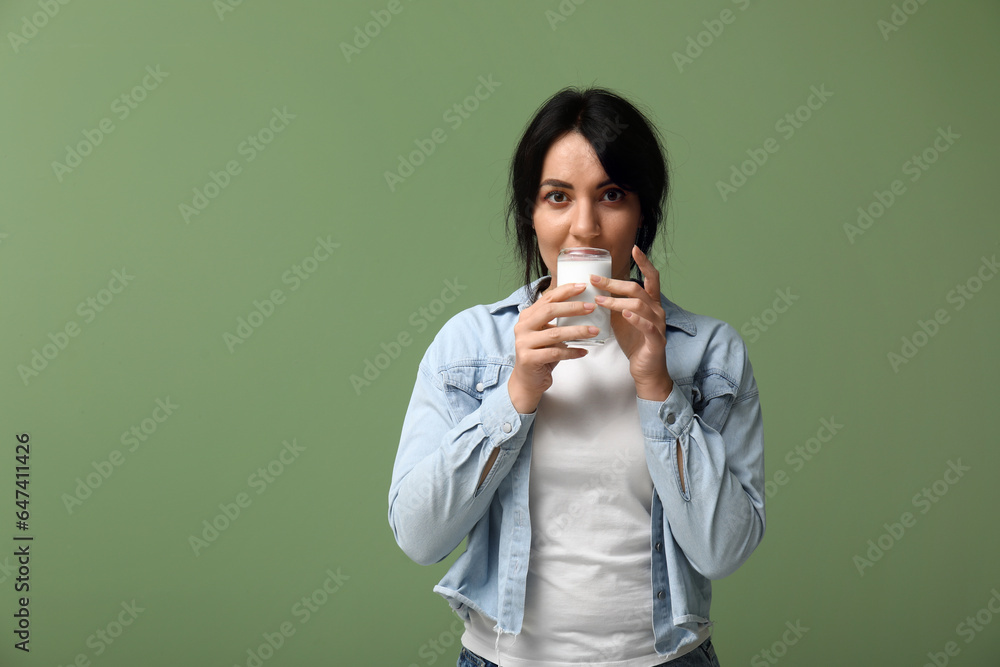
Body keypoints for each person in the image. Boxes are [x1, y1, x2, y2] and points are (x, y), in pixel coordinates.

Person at [388, 87, 766, 667]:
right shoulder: (470, 346)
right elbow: (419, 537)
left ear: (644, 214)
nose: (584, 227)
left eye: (611, 195)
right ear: (530, 215)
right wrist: (515, 396)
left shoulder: (711, 354)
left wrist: (657, 386)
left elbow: (723, 550)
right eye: (557, 197)